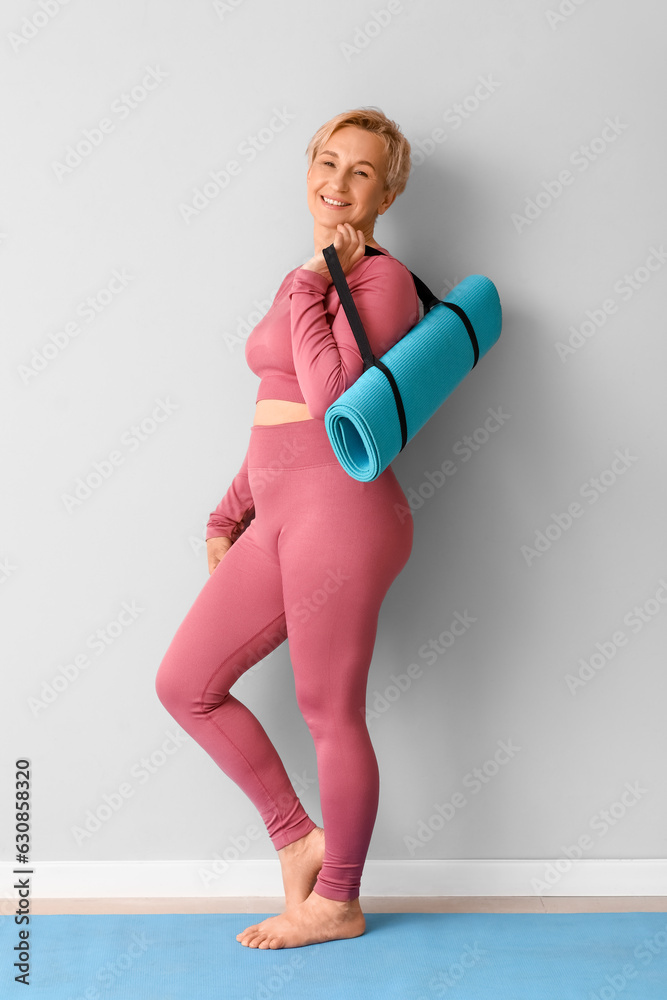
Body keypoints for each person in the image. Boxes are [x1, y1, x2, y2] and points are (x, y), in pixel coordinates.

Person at [155, 107, 420, 949]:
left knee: (326, 708)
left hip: (345, 514)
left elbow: (329, 394)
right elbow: (274, 407)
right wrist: (228, 506)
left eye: (362, 173)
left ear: (389, 190)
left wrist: (317, 283)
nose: (337, 186)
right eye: (327, 163)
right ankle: (298, 838)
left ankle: (337, 898)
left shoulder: (384, 282)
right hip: (278, 514)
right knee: (184, 682)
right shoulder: (299, 277)